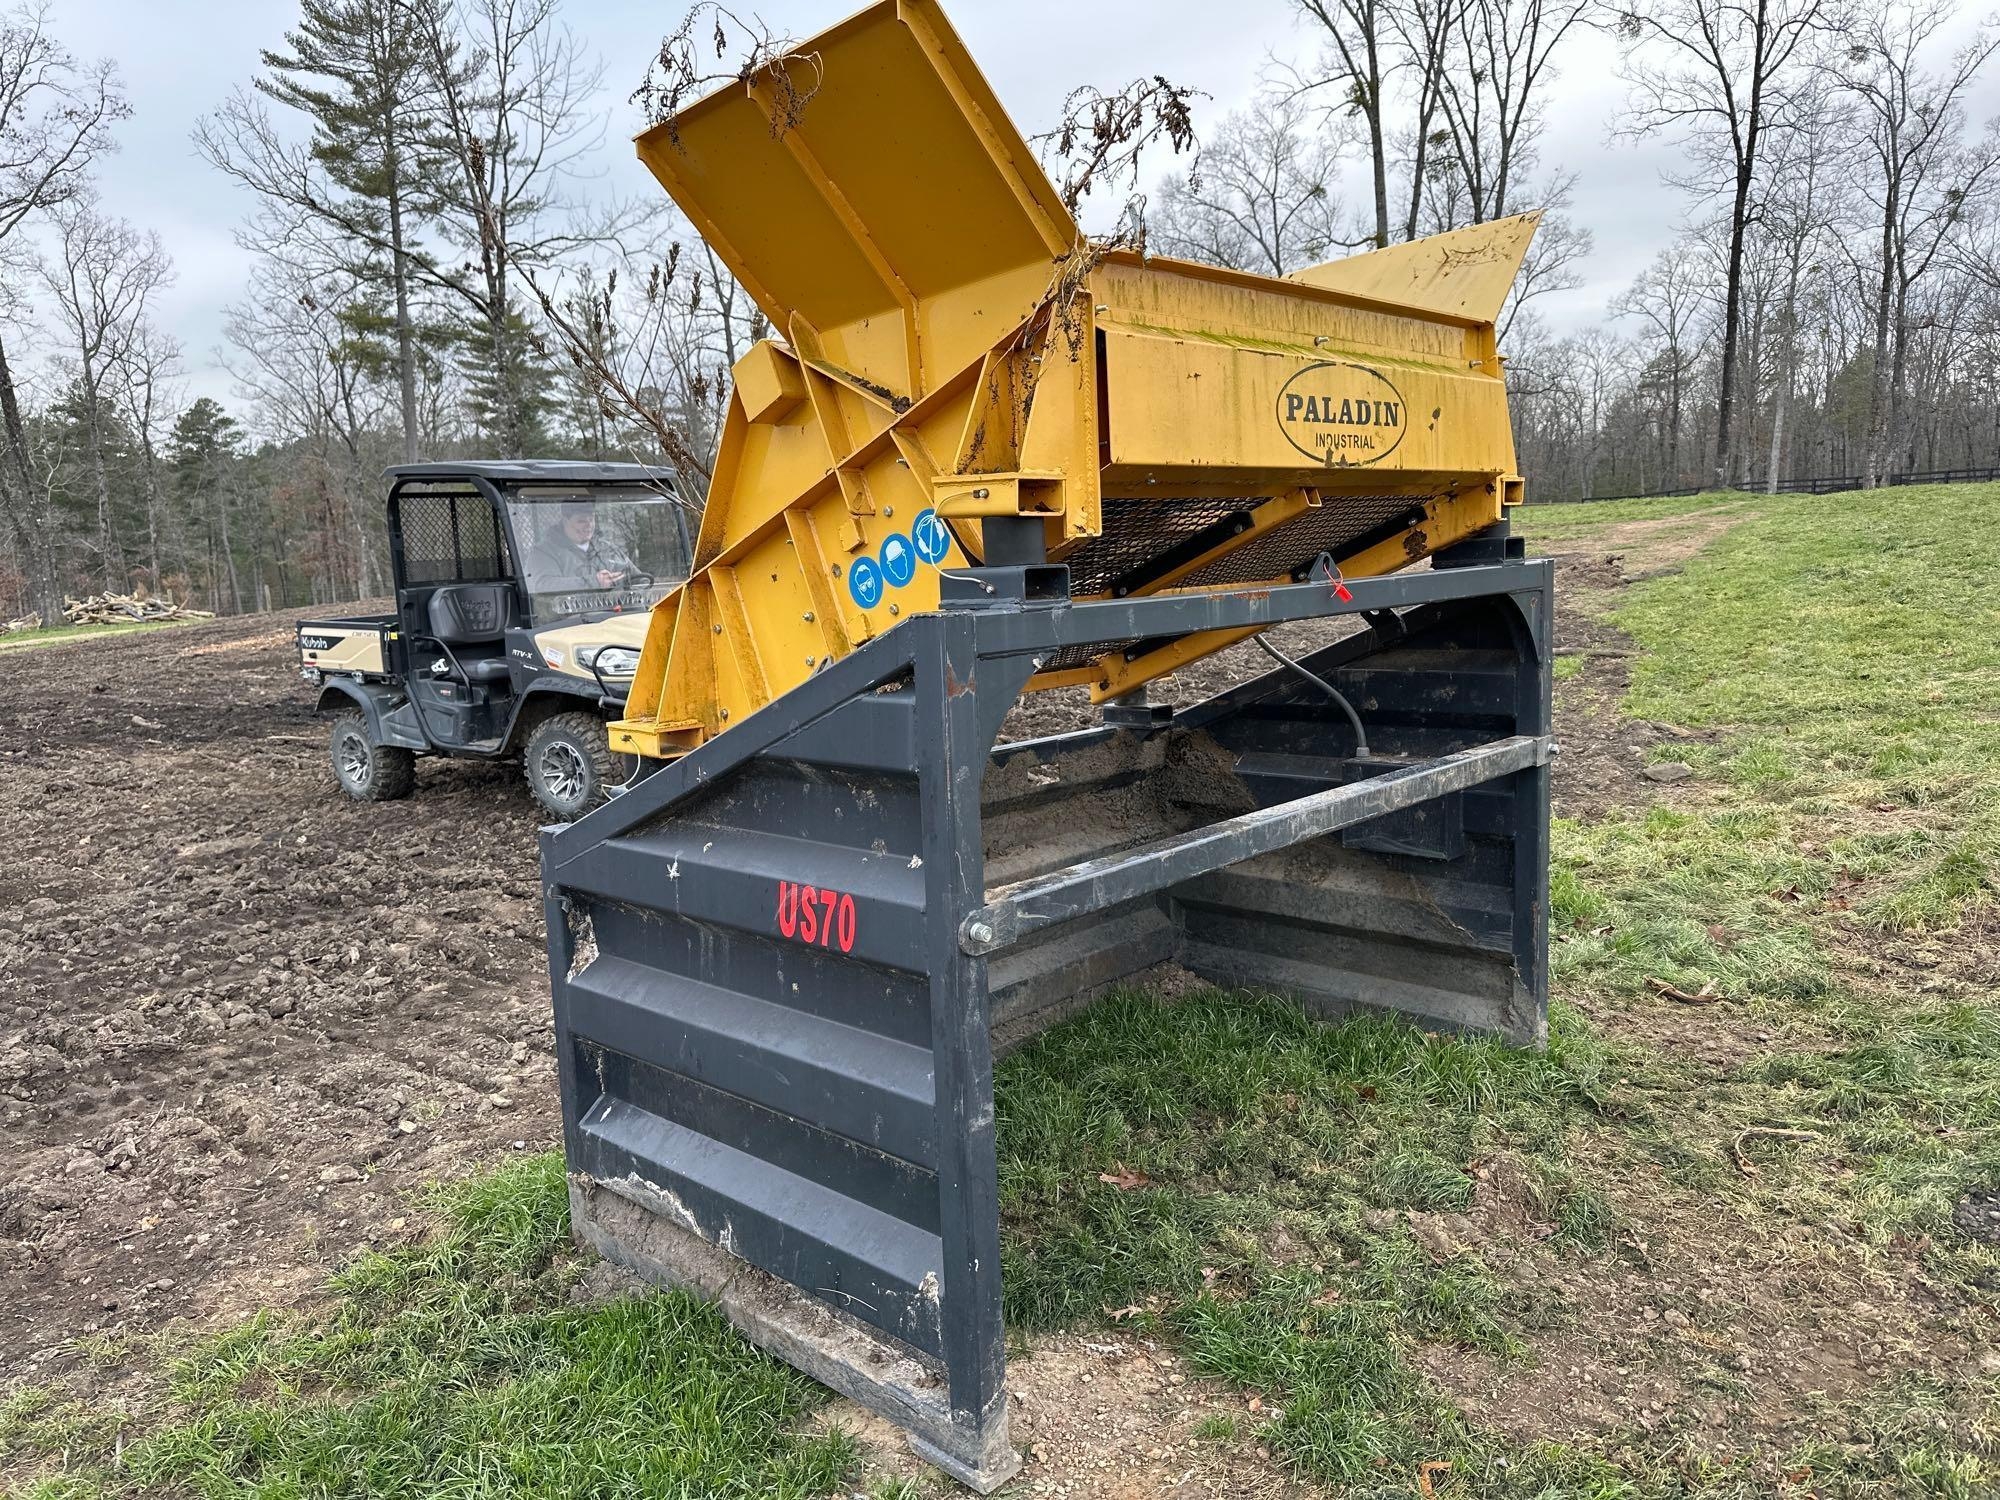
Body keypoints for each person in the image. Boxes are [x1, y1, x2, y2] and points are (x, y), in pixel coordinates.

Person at [526, 500, 637, 593]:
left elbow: (637, 577)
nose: (589, 525)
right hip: (568, 613)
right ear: (565, 521)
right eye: (581, 521)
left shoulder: (607, 549)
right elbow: (544, 585)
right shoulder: (543, 552)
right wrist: (593, 582)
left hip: (614, 610)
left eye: (591, 519)